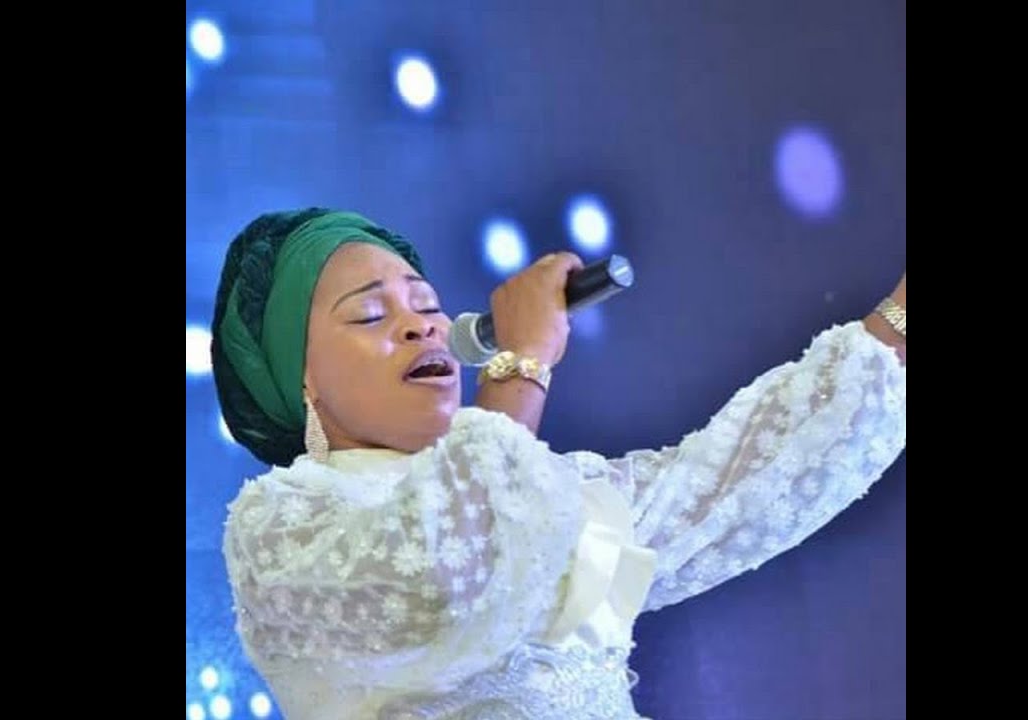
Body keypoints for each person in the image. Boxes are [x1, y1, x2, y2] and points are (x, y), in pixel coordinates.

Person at [211, 208, 907, 719]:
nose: (423, 325)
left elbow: (737, 482)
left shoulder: (548, 492)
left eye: (428, 305)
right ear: (299, 379)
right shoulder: (282, 528)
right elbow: (449, 572)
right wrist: (521, 365)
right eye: (370, 316)